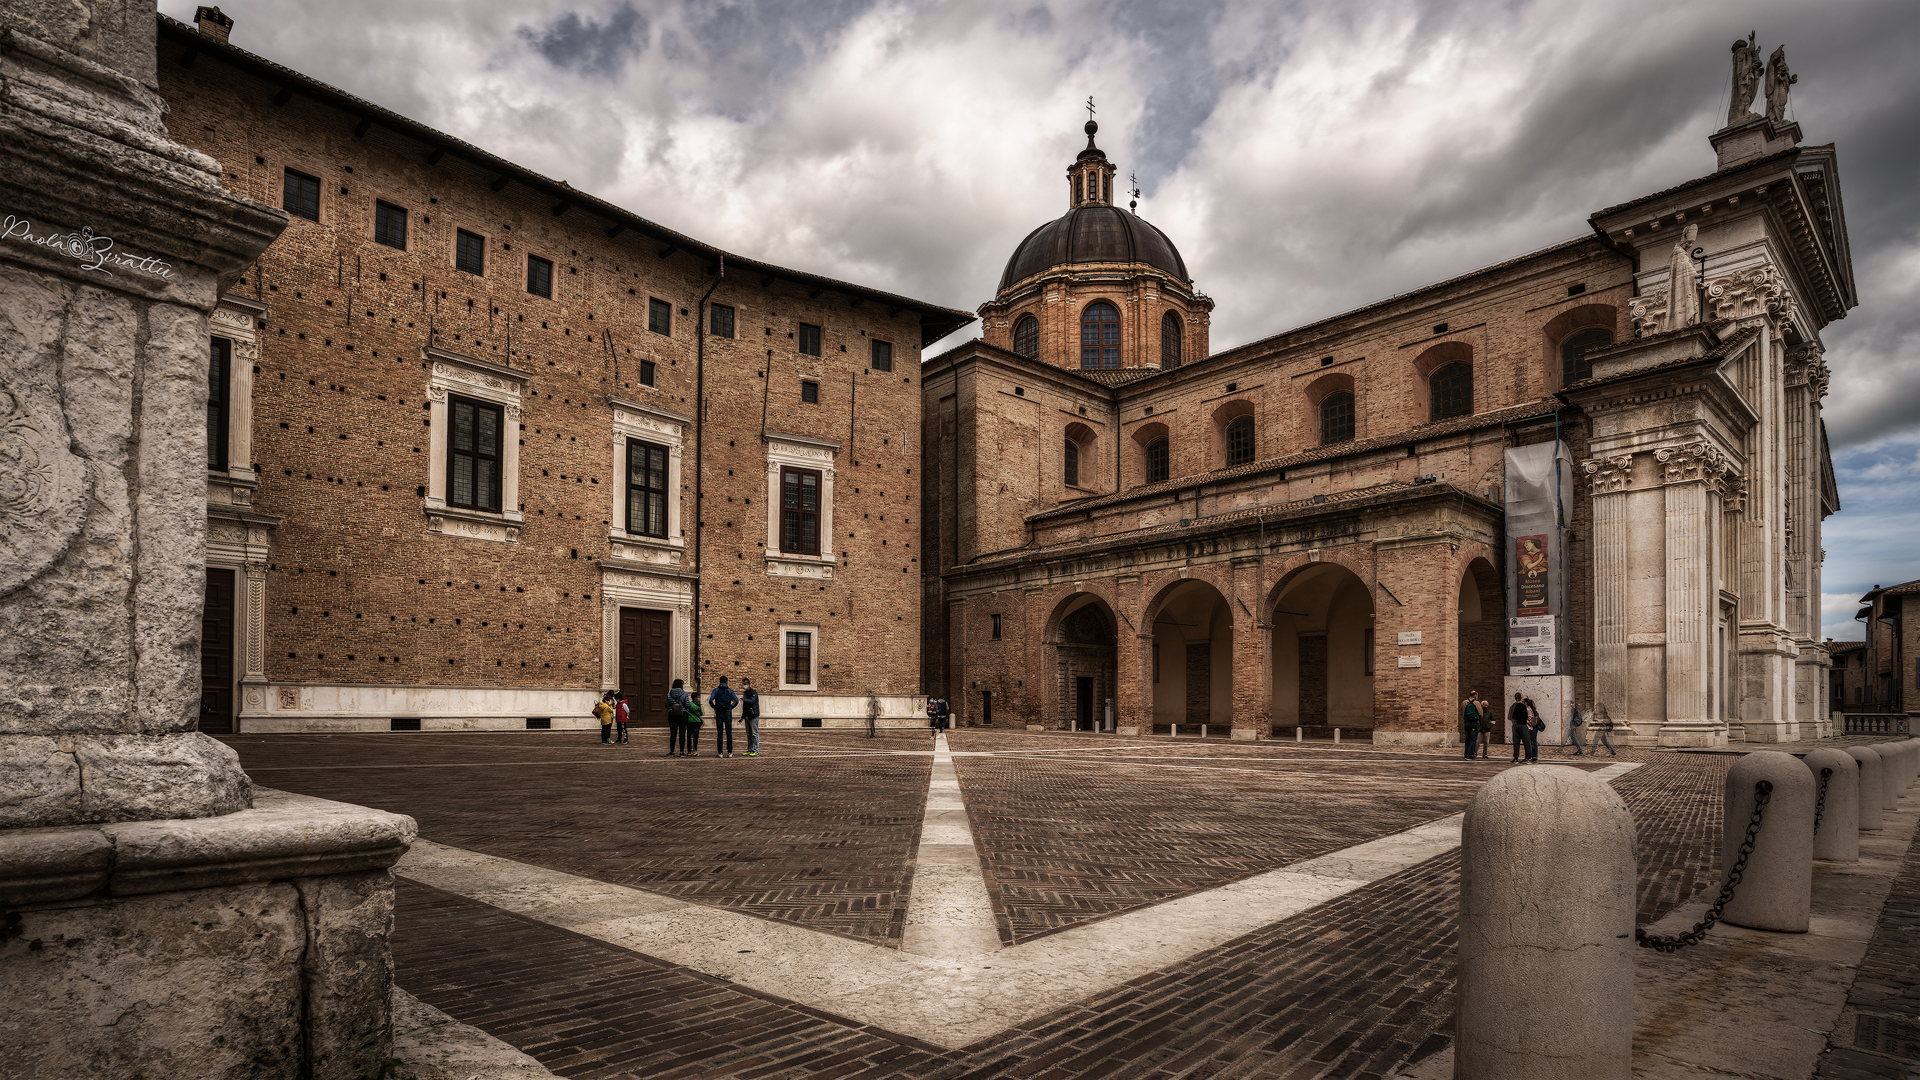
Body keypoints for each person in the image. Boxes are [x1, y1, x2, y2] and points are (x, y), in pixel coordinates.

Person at [709, 677, 739, 757]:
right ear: (727, 682)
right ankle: (730, 752)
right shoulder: (730, 691)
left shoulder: (716, 690)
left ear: (720, 681)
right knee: (729, 732)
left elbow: (710, 700)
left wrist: (715, 707)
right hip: (727, 712)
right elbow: (736, 700)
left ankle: (720, 752)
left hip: (719, 712)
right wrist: (731, 707)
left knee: (720, 732)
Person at [665, 678, 691, 757]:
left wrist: (672, 707)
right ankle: (682, 751)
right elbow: (688, 705)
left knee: (673, 733)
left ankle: (672, 751)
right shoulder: (684, 694)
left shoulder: (669, 694)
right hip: (683, 714)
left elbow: (666, 705)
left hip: (672, 714)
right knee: (682, 733)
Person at [740, 678, 761, 756]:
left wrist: (743, 699)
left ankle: (756, 750)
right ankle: (750, 749)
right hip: (747, 716)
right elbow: (745, 706)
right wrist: (742, 716)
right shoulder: (745, 693)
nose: (744, 685)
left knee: (754, 733)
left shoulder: (753, 692)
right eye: (743, 684)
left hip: (753, 715)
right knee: (749, 734)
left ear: (749, 684)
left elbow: (752, 701)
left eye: (746, 684)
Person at [1509, 692, 1530, 764]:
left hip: (1515, 725)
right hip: (1522, 725)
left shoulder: (1512, 706)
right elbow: (1525, 716)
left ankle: (1516, 757)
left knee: (1516, 742)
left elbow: (1509, 717)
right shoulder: (1523, 706)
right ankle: (1528, 757)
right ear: (1521, 698)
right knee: (1526, 741)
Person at [1522, 696, 1543, 764]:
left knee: (1531, 742)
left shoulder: (1528, 709)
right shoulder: (1533, 709)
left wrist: (1526, 722)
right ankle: (1534, 756)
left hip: (1532, 727)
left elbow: (1529, 718)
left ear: (1525, 703)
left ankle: (1532, 756)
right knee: (1533, 742)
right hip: (1534, 727)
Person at [1462, 692, 1482, 760]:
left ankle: (1466, 754)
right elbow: (1480, 713)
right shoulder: (1477, 703)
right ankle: (1470, 755)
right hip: (1474, 723)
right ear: (1475, 695)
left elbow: (1461, 712)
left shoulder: (1464, 702)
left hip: (1466, 722)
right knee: (1473, 739)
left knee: (1467, 738)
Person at [1477, 694, 1494, 760]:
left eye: (1486, 705)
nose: (1485, 706)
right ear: (1481, 705)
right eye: (1484, 705)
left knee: (1486, 743)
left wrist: (1489, 726)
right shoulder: (1479, 712)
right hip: (1479, 730)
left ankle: (1485, 754)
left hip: (1487, 730)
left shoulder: (1489, 713)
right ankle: (1475, 754)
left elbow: (1493, 720)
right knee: (1477, 742)